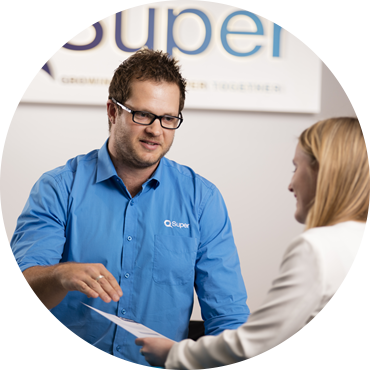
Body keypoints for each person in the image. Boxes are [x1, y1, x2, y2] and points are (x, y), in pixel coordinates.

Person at [6, 49, 249, 365]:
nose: (156, 130)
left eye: (168, 118)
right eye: (142, 115)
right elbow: (21, 293)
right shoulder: (59, 187)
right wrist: (60, 275)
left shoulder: (201, 199)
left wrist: (237, 361)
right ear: (112, 111)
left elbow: (227, 313)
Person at [136, 116, 370, 370]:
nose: (291, 185)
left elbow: (250, 345)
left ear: (324, 173)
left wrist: (174, 354)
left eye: (296, 168)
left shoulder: (316, 248)